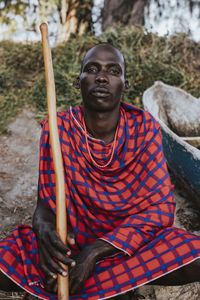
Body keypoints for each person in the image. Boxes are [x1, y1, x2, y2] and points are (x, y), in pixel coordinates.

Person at [0, 43, 200, 300]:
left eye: (113, 71)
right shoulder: (58, 128)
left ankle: (102, 280)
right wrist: (45, 233)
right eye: (92, 69)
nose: (102, 77)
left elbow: (160, 210)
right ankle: (109, 285)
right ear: (78, 82)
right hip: (73, 248)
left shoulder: (144, 128)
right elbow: (46, 206)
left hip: (127, 247)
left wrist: (94, 252)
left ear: (125, 84)